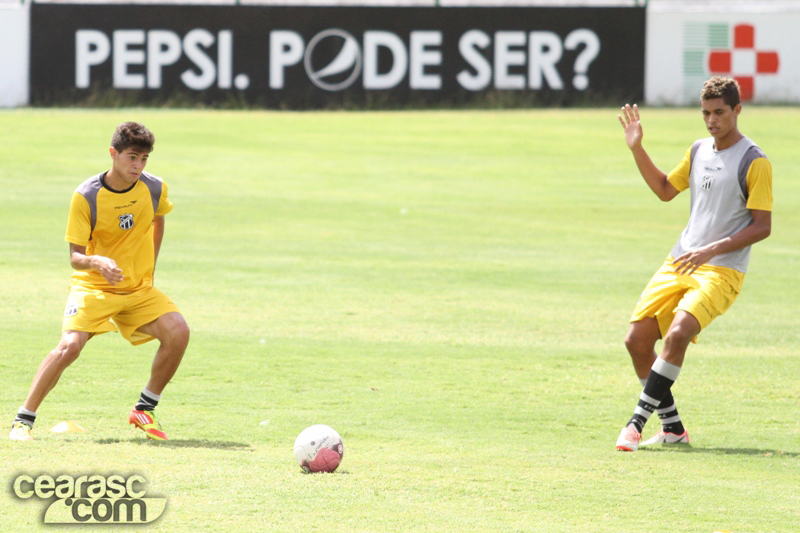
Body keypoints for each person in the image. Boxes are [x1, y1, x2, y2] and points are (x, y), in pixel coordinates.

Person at [615, 77, 773, 451]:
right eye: (706, 113)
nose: (712, 120)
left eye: (720, 112)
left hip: (722, 269)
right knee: (636, 341)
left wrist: (712, 249)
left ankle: (635, 425)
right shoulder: (699, 150)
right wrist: (637, 148)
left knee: (678, 333)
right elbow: (665, 191)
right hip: (681, 260)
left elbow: (762, 226)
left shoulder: (755, 161)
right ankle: (672, 430)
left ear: (737, 110)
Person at [9, 122, 190, 442]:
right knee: (69, 347)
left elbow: (158, 218)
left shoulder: (154, 188)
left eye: (144, 158)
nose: (138, 166)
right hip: (94, 286)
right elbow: (75, 257)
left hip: (137, 288)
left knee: (178, 331)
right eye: (132, 157)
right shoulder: (86, 196)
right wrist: (98, 261)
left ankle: (145, 408)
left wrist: (151, 265)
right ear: (113, 154)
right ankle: (23, 421)